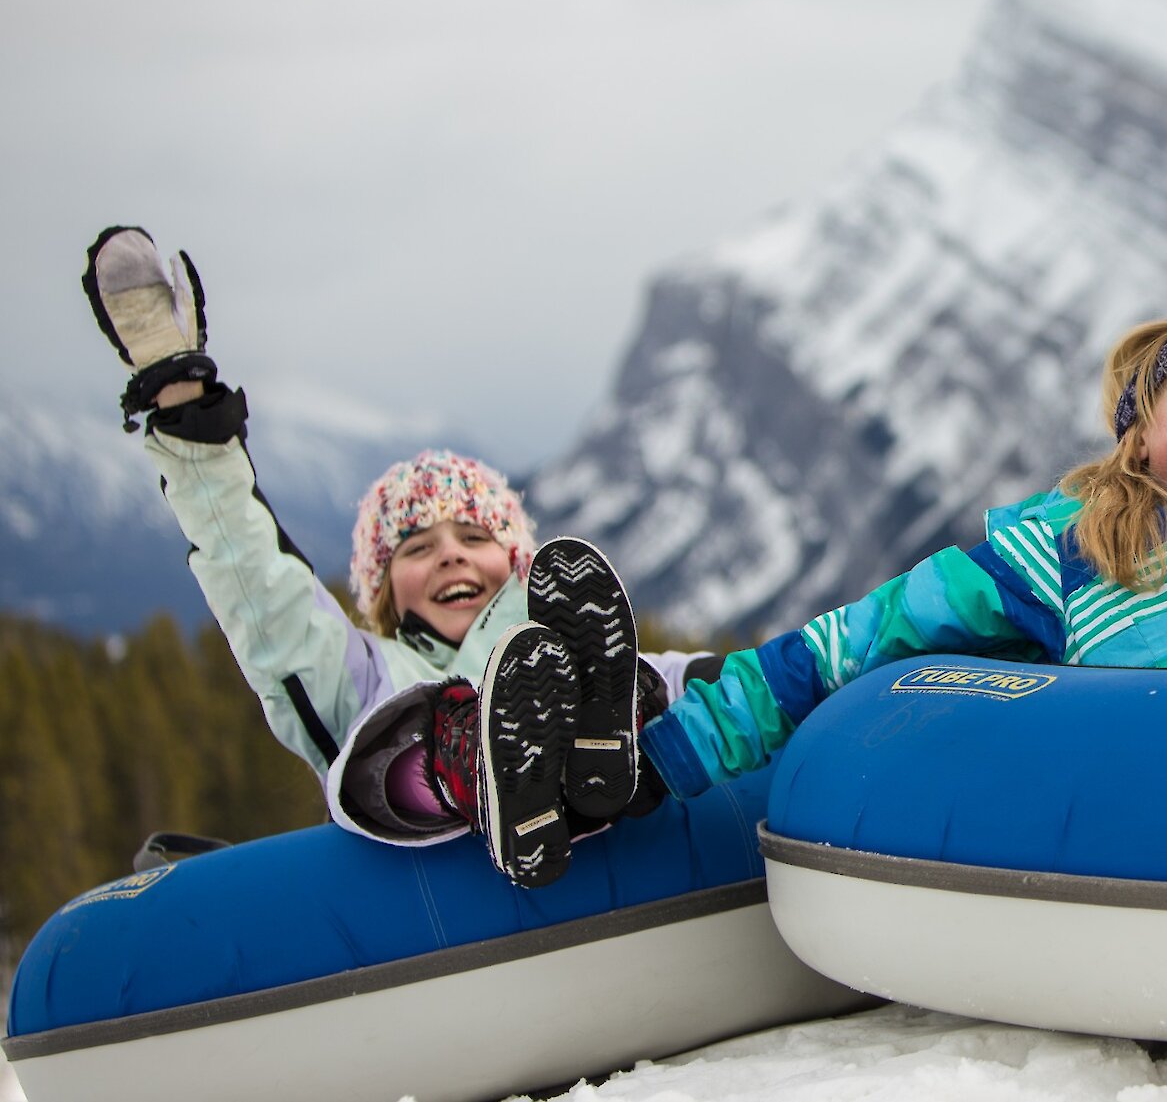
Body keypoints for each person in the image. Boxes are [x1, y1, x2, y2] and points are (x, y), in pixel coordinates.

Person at [332, 0, 1167, 888]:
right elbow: (849, 644)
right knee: (879, 680)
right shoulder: (1061, 547)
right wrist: (667, 770)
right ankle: (593, 751)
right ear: (1136, 427)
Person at [78, 230, 723, 858]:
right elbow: (259, 586)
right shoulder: (359, 678)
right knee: (407, 728)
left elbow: (727, 684)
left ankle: (605, 745)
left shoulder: (592, 646)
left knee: (641, 682)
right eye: (416, 548)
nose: (450, 553)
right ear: (385, 592)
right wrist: (185, 411)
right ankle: (483, 765)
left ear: (516, 563)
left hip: (597, 731)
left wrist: (813, 670)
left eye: (474, 535)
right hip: (439, 892)